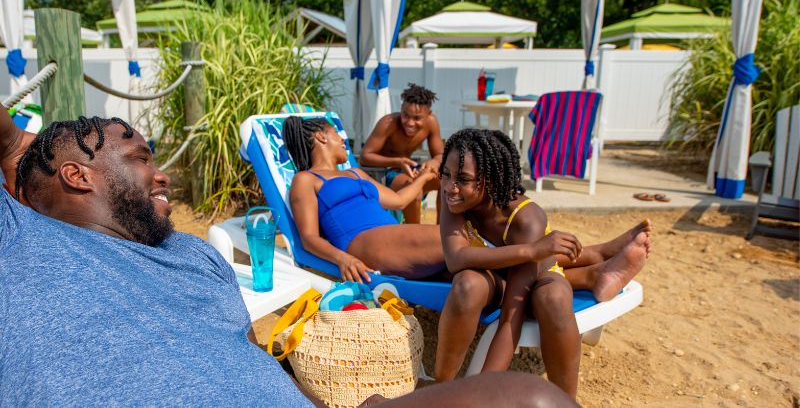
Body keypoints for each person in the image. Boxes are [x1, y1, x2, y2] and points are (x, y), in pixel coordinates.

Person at [0, 108, 581, 407]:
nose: (163, 172)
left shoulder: (196, 259)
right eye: (141, 155)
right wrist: (14, 152)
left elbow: (246, 362)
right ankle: (574, 268)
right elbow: (12, 145)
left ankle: (573, 270)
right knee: (476, 268)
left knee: (534, 399)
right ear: (76, 175)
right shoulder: (19, 241)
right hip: (370, 249)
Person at [435, 128, 650, 397]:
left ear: (488, 182)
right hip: (504, 270)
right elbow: (456, 259)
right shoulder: (452, 197)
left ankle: (565, 401)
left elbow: (510, 318)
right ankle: (440, 389)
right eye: (446, 174)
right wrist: (530, 251)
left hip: (536, 273)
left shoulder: (527, 218)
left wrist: (484, 393)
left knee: (554, 298)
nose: (449, 186)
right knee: (466, 284)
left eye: (463, 179)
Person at [283, 115, 446, 283]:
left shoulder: (356, 173)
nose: (342, 140)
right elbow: (309, 238)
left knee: (466, 270)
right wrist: (343, 259)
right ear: (321, 136)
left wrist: (424, 177)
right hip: (365, 242)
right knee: (453, 238)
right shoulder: (306, 179)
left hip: (393, 237)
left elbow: (399, 200)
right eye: (336, 133)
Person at [359, 83, 444, 224]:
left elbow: (440, 155)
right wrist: (398, 161)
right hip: (385, 173)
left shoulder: (432, 123)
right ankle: (413, 237)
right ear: (401, 109)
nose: (410, 123)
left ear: (428, 115)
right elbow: (365, 157)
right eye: (406, 115)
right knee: (413, 190)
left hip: (409, 170)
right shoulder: (388, 123)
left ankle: (441, 233)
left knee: (447, 181)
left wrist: (433, 162)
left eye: (417, 118)